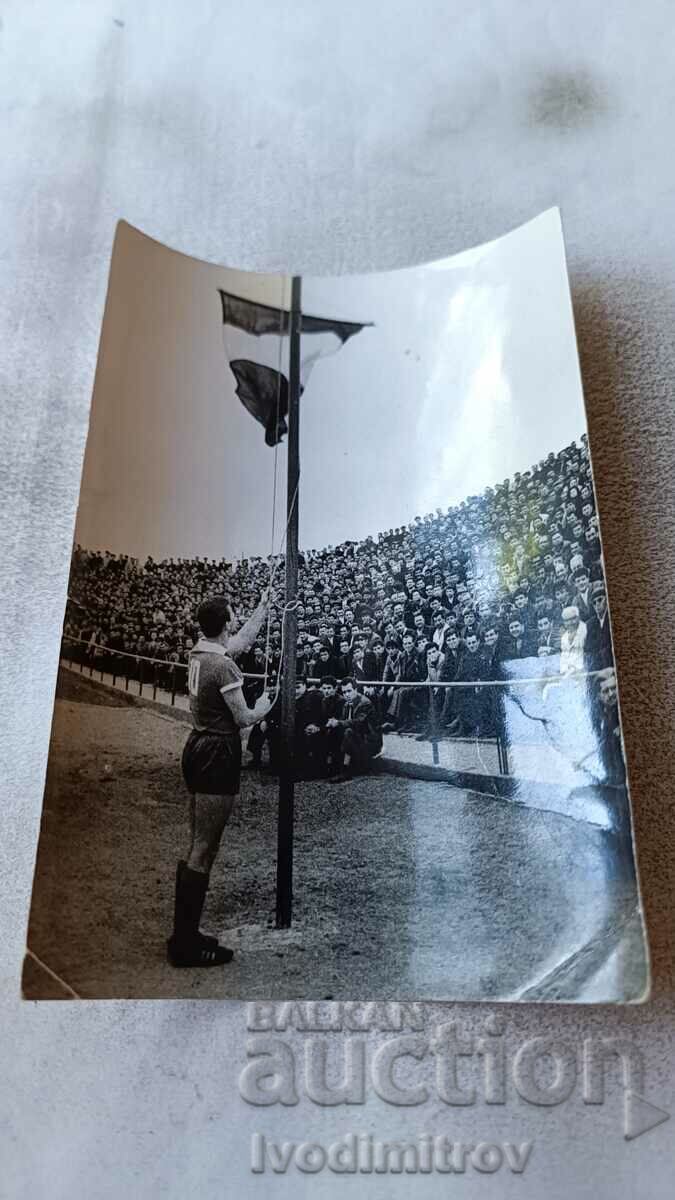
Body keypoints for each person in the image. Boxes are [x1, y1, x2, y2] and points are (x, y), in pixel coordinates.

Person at [167, 592, 271, 969]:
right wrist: (264, 707)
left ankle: (185, 934)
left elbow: (238, 642)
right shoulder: (223, 667)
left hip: (197, 746)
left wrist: (262, 609)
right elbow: (243, 718)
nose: (236, 622)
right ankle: (185, 942)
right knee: (204, 847)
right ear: (225, 622)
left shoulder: (201, 653)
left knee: (198, 841)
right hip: (217, 753)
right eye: (235, 617)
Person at [326, 678, 383, 782]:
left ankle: (345, 770)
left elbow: (358, 723)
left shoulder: (364, 703)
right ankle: (330, 766)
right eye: (344, 692)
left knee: (348, 732)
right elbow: (344, 722)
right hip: (357, 739)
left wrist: (338, 722)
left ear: (356, 690)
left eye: (349, 691)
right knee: (333, 729)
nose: (346, 695)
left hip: (370, 742)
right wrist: (334, 723)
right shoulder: (347, 703)